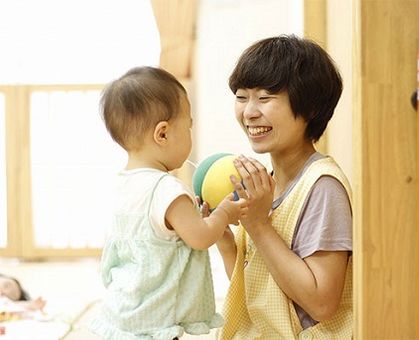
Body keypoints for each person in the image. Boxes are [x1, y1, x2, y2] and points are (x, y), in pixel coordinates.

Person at [88, 66, 247, 339]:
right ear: (162, 134)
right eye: (187, 127)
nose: (190, 136)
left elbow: (164, 233)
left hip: (124, 313)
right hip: (154, 323)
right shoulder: (167, 189)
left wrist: (200, 217)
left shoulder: (123, 183)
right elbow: (199, 237)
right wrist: (222, 213)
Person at [215, 35, 353, 339]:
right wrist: (227, 243)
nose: (249, 112)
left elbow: (321, 303)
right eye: (241, 96)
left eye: (265, 98)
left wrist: (258, 226)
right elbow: (258, 293)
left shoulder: (323, 186)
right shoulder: (265, 182)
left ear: (312, 108)